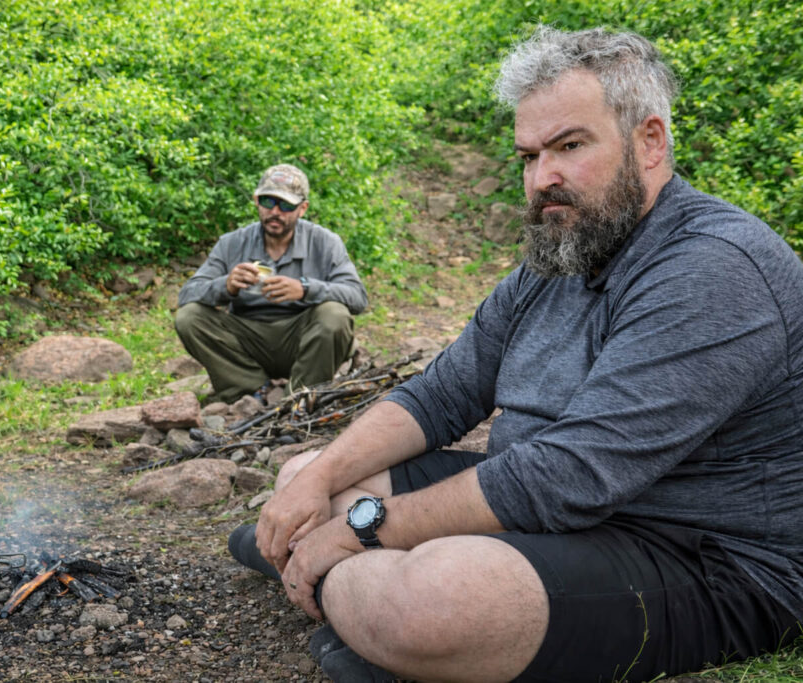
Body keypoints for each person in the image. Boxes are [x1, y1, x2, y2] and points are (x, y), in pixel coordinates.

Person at [230, 26, 803, 682]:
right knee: (305, 474)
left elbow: (571, 473)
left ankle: (351, 599)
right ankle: (358, 607)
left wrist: (361, 529)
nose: (542, 178)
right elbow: (441, 394)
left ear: (650, 142)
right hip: (556, 514)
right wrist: (318, 484)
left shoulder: (712, 267)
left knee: (430, 600)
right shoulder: (563, 248)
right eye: (528, 156)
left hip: (701, 554)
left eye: (569, 146)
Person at [175, 164, 368, 403]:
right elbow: (187, 295)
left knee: (334, 315)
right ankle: (249, 390)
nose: (275, 211)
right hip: (248, 339)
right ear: (256, 201)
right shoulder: (232, 243)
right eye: (268, 202)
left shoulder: (325, 242)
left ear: (303, 208)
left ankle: (298, 399)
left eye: (286, 205)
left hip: (303, 338)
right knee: (189, 317)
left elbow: (358, 297)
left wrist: (305, 289)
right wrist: (226, 286)